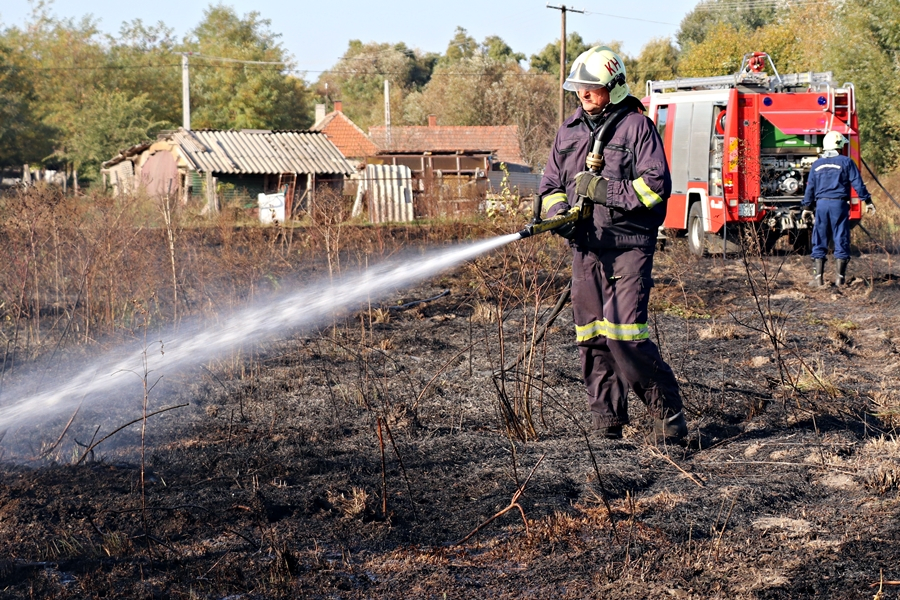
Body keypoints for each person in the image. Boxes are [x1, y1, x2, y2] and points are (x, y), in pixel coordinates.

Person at [537, 46, 686, 441]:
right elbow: (550, 187)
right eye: (579, 87)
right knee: (592, 339)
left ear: (614, 87)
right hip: (585, 249)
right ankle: (607, 425)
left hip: (628, 246)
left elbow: (656, 188)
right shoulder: (568, 131)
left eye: (592, 87)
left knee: (624, 333)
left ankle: (668, 418)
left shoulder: (637, 128)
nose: (583, 94)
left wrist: (605, 190)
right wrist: (558, 217)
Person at [801, 130, 875, 286]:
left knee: (819, 238)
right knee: (841, 237)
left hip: (821, 205)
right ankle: (840, 278)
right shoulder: (846, 162)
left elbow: (810, 188)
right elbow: (858, 183)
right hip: (839, 205)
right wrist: (867, 201)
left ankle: (817, 278)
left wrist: (807, 207)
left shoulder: (817, 164)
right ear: (838, 146)